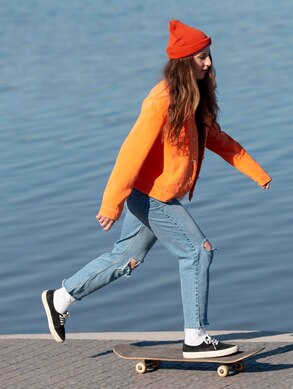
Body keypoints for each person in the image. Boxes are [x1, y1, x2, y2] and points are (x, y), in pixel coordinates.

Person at [41, 19, 271, 358]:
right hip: (151, 195)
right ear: (183, 61)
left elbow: (217, 140)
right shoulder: (160, 101)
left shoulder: (195, 98)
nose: (208, 63)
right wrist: (111, 203)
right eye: (202, 57)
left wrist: (257, 172)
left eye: (209, 56)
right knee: (197, 251)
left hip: (158, 193)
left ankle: (60, 298)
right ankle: (195, 337)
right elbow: (131, 152)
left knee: (126, 258)